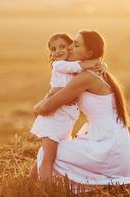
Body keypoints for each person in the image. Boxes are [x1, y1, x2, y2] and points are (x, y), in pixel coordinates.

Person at [30, 30, 130, 187]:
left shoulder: (86, 78)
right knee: (50, 153)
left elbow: (47, 107)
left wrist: (36, 107)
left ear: (89, 52)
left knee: (47, 153)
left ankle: (48, 191)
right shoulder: (97, 72)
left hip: (107, 147)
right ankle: (121, 179)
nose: (70, 48)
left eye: (75, 45)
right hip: (114, 146)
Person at [30, 33, 107, 181]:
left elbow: (81, 68)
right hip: (54, 119)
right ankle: (45, 192)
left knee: (47, 154)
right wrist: (98, 62)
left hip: (65, 120)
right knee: (48, 158)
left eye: (62, 47)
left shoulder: (72, 67)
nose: (57, 51)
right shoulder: (59, 65)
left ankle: (31, 180)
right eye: (53, 49)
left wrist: (101, 64)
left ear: (70, 48)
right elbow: (80, 66)